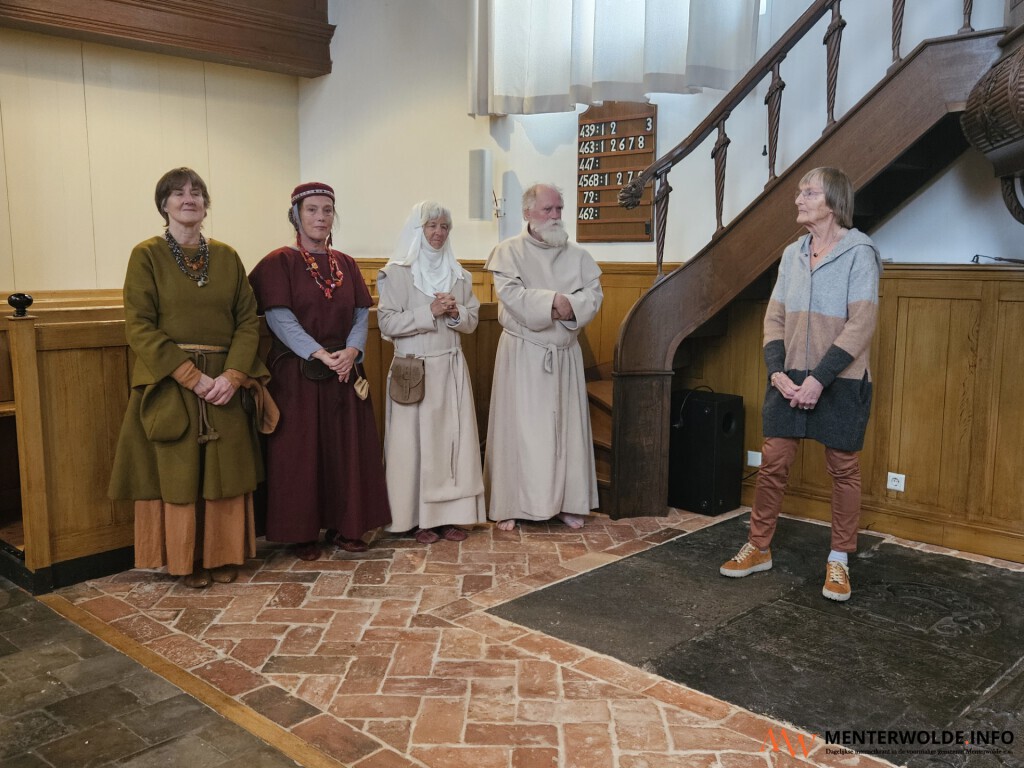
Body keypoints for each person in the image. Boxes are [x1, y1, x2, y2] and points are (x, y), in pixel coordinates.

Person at [719, 167, 882, 602]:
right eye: (799, 191)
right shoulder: (792, 254)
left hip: (841, 381)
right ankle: (758, 547)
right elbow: (773, 316)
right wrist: (776, 370)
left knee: (843, 470)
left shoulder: (860, 252)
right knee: (773, 463)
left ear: (833, 202)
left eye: (808, 192)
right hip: (788, 379)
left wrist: (819, 380)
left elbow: (861, 324)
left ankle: (840, 560)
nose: (798, 198)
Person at [109, 167, 272, 589]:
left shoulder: (227, 256)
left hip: (224, 384)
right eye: (178, 193)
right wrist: (190, 377)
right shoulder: (145, 255)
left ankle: (224, 556)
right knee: (178, 473)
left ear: (205, 204)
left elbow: (247, 322)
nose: (189, 199)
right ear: (163, 204)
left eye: (197, 192)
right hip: (172, 382)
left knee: (225, 472)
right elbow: (139, 325)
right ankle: (185, 561)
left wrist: (233, 376)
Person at [248, 182, 390, 559]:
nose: (320, 217)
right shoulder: (279, 261)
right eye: (312, 210)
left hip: (344, 371)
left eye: (327, 210)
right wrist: (317, 353)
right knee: (301, 453)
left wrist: (352, 351)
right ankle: (302, 532)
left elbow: (362, 312)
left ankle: (347, 526)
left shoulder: (345, 263)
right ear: (296, 214)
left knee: (347, 452)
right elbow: (280, 317)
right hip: (298, 373)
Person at [484, 183, 604, 531]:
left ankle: (566, 501)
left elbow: (592, 296)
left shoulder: (578, 256)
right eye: (547, 210)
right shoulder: (508, 252)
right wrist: (554, 301)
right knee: (519, 432)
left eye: (558, 209)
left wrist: (571, 306)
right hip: (523, 354)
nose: (554, 216)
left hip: (563, 355)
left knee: (563, 433)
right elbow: (511, 295)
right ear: (527, 214)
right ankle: (511, 503)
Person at [377, 201, 486, 543]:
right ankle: (416, 519)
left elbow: (471, 321)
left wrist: (454, 313)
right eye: (431, 226)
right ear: (417, 230)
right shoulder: (396, 272)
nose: (438, 233)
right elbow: (387, 322)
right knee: (413, 448)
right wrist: (430, 311)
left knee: (451, 446)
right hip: (414, 368)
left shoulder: (460, 275)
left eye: (444, 227)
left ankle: (450, 516)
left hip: (451, 367)